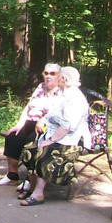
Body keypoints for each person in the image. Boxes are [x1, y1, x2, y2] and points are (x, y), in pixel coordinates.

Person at [17, 65, 90, 206]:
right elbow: (51, 113)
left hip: (73, 140)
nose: (57, 79)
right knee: (30, 149)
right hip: (58, 135)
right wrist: (42, 120)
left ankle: (38, 194)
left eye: (59, 76)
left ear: (64, 78)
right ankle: (31, 187)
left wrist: (50, 140)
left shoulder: (74, 97)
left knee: (45, 151)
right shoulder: (63, 94)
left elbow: (68, 126)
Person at [0, 63, 63, 186]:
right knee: (12, 137)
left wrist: (43, 121)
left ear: (59, 76)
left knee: (33, 144)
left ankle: (30, 180)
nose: (48, 76)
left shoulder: (61, 92)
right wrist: (19, 124)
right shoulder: (41, 87)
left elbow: (56, 114)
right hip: (30, 122)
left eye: (52, 74)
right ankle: (12, 175)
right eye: (46, 73)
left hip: (46, 126)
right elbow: (28, 107)